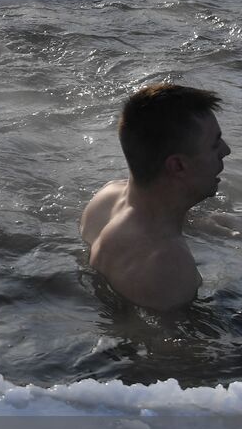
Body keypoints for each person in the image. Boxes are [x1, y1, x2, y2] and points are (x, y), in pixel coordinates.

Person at [79, 83, 231, 312]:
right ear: (178, 166)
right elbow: (179, 346)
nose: (225, 150)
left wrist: (194, 223)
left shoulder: (105, 199)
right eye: (214, 144)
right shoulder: (167, 265)